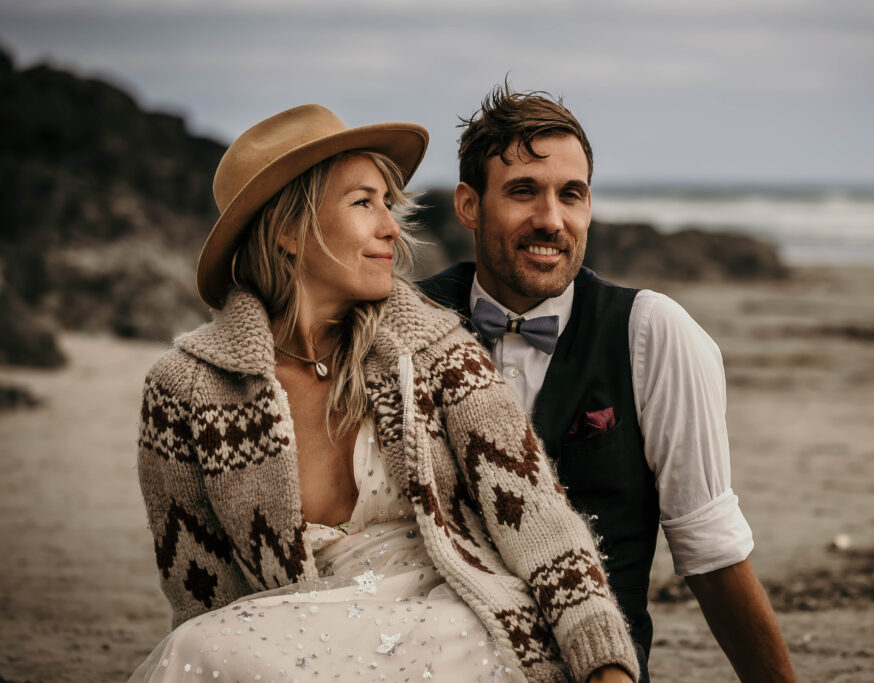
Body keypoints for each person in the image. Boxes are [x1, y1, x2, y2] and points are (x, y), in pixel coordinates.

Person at [130, 104, 639, 682]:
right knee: (193, 647)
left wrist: (602, 662)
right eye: (363, 203)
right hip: (295, 643)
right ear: (289, 230)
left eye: (388, 205)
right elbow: (203, 592)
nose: (391, 229)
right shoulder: (185, 390)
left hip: (457, 624)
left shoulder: (432, 345)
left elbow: (538, 518)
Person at [418, 86, 797, 682]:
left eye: (572, 194)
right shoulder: (408, 325)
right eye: (523, 191)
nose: (551, 219)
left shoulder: (653, 334)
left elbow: (712, 552)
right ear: (469, 205)